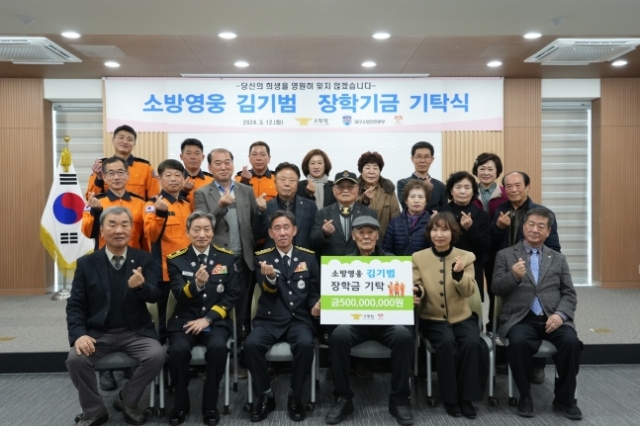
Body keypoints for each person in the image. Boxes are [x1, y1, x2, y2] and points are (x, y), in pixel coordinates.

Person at [66, 206, 165, 426]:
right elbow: (75, 305)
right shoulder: (86, 264)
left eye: (124, 224)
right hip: (98, 333)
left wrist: (141, 287)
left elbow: (155, 295)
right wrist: (79, 335)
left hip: (135, 331)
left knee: (157, 354)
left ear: (131, 229)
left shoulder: (144, 259)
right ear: (101, 230)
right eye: (112, 224)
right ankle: (94, 410)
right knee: (76, 359)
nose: (119, 230)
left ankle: (127, 400)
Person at [492, 207, 582, 420]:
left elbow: (569, 294)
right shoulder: (506, 255)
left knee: (571, 343)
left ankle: (565, 398)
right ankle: (525, 395)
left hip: (552, 317)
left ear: (548, 231)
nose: (535, 230)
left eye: (541, 226)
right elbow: (496, 288)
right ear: (523, 227)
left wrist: (560, 315)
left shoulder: (558, 258)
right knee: (518, 341)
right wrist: (513, 276)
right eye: (530, 225)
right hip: (520, 318)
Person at [324, 216, 415, 426]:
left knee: (404, 335)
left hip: (387, 323)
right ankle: (343, 397)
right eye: (361, 232)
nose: (366, 236)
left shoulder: (393, 262)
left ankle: (400, 400)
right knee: (338, 336)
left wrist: (411, 293)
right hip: (356, 323)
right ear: (353, 236)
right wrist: (325, 302)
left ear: (377, 235)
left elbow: (401, 293)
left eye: (371, 232)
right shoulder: (342, 264)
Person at [195, 148, 267, 375]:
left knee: (242, 312)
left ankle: (238, 358)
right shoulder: (202, 193)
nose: (223, 166)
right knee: (219, 309)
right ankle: (217, 358)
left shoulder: (246, 190)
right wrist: (221, 205)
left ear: (233, 165)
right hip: (216, 262)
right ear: (210, 168)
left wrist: (263, 212)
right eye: (218, 163)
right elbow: (201, 226)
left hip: (243, 260)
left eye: (227, 162)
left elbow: (256, 224)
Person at [245, 210, 319, 422]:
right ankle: (265, 395)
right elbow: (268, 291)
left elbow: (314, 291)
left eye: (286, 227)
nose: (282, 232)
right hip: (270, 319)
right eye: (277, 228)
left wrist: (315, 305)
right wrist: (270, 279)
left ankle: (295, 396)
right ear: (270, 232)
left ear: (294, 230)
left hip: (299, 320)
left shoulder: (308, 257)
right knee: (251, 345)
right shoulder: (262, 258)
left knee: (305, 344)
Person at [412, 212, 489, 419]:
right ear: (429, 233)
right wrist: (416, 291)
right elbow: (417, 285)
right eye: (435, 229)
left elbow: (470, 291)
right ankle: (450, 398)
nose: (439, 234)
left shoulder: (466, 256)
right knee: (447, 344)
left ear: (453, 232)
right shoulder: (418, 258)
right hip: (434, 319)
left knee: (473, 343)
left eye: (444, 229)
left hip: (462, 317)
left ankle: (467, 398)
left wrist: (459, 275)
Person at [166, 211, 239, 426]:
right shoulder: (176, 260)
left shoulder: (226, 257)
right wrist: (196, 285)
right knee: (177, 351)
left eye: (206, 229)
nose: (201, 234)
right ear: (187, 232)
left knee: (218, 348)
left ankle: (209, 405)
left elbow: (233, 294)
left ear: (213, 232)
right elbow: (178, 293)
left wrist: (208, 319)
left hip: (214, 322)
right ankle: (180, 405)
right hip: (184, 321)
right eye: (196, 229)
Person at [490, 171, 560, 384]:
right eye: (508, 186)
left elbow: (554, 247)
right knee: (505, 314)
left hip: (536, 272)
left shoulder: (542, 213)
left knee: (536, 313)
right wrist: (499, 228)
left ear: (527, 187)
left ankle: (536, 366)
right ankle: (505, 359)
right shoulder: (500, 210)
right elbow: (491, 244)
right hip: (505, 270)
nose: (513, 189)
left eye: (517, 185)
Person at [143, 159, 193, 341]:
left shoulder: (186, 204)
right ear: (160, 179)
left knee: (186, 316)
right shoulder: (152, 204)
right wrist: (160, 215)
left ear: (184, 178)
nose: (173, 179)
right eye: (168, 175)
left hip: (189, 271)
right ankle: (162, 362)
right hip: (165, 274)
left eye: (177, 175)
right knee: (164, 320)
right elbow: (151, 236)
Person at [441, 171, 491, 301]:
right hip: (443, 267)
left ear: (473, 191)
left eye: (467, 187)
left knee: (471, 309)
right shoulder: (441, 214)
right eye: (458, 187)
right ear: (451, 191)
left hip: (472, 269)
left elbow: (485, 247)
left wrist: (470, 229)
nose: (462, 191)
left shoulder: (482, 216)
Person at [471, 152, 507, 331]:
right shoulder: (468, 192)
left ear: (497, 171)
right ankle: (474, 327)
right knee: (474, 291)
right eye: (482, 168)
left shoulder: (505, 194)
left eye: (490, 169)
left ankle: (493, 328)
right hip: (475, 249)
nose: (486, 172)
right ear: (476, 171)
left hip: (498, 250)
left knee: (496, 291)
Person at [82, 156, 147, 252]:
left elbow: (147, 240)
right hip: (104, 261)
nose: (116, 177)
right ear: (104, 177)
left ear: (128, 175)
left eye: (120, 172)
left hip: (135, 261)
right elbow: (88, 233)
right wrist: (96, 211)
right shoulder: (96, 202)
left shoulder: (141, 203)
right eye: (111, 173)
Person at [310, 171, 377, 257]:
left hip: (360, 265)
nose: (345, 190)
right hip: (332, 266)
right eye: (341, 187)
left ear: (357, 189)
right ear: (334, 190)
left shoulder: (369, 213)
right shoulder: (323, 213)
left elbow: (376, 243)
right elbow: (313, 242)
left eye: (350, 187)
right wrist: (324, 233)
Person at [253, 162, 318, 250]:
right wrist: (261, 211)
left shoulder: (310, 206)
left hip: (302, 259)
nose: (287, 184)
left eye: (291, 180)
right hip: (272, 259)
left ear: (297, 183)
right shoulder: (266, 206)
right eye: (282, 180)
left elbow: (315, 236)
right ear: (275, 182)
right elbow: (258, 235)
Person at [86, 124, 160, 201]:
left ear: (134, 144)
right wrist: (99, 179)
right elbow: (90, 198)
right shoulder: (101, 166)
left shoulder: (146, 168)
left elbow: (154, 199)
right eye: (121, 138)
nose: (125, 142)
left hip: (137, 212)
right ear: (113, 140)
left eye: (129, 139)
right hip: (107, 212)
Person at [356, 151, 401, 241]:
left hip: (384, 242)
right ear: (361, 170)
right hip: (359, 242)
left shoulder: (388, 191)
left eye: (376, 168)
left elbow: (396, 220)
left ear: (380, 171)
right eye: (367, 168)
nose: (371, 172)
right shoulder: (354, 190)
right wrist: (364, 200)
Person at [383, 179, 432, 255]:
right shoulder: (395, 222)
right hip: (398, 265)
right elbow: (387, 249)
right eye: (412, 197)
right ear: (406, 200)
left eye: (420, 197)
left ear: (426, 201)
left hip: (422, 265)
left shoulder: (432, 223)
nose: (416, 200)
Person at [396, 141, 447, 213]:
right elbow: (406, 208)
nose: (422, 160)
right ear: (412, 159)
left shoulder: (440, 186)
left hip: (434, 223)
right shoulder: (403, 183)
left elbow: (444, 212)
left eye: (426, 157)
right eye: (419, 157)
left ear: (432, 160)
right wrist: (424, 190)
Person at [178, 138, 214, 209]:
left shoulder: (212, 181)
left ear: (203, 157)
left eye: (197, 153)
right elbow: (170, 204)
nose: (193, 157)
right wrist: (183, 192)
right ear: (181, 157)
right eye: (189, 153)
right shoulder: (175, 180)